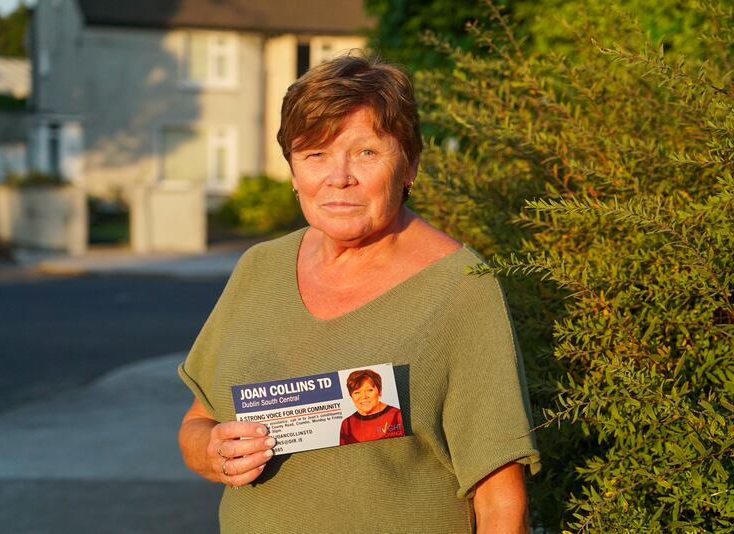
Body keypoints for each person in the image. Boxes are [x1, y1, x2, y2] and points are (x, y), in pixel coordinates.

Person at [178, 54, 540, 533]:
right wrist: (215, 452)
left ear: (409, 165)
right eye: (315, 155)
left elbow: (500, 500)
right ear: (293, 172)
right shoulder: (258, 269)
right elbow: (197, 422)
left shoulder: (459, 287)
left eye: (366, 153)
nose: (339, 176)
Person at [340, 368, 405, 444]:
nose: (364, 396)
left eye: (369, 390)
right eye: (357, 392)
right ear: (351, 396)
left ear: (380, 391)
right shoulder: (347, 424)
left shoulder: (397, 415)